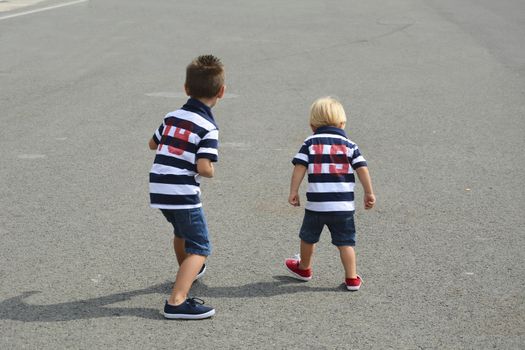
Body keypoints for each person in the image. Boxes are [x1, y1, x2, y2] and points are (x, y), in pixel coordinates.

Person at [148, 55, 225, 319]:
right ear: (221, 92)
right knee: (201, 246)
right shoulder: (208, 127)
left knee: (181, 231)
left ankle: (188, 270)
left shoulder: (171, 116)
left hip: (159, 187)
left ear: (186, 88)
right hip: (182, 191)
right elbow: (204, 167)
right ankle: (177, 301)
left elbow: (153, 143)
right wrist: (211, 170)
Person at [285, 97, 376, 291]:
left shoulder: (310, 143)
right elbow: (362, 169)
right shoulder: (350, 145)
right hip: (343, 207)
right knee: (345, 243)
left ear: (312, 125)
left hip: (316, 205)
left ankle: (304, 268)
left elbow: (299, 167)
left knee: (308, 238)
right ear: (342, 123)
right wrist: (369, 192)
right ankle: (351, 278)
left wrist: (294, 191)